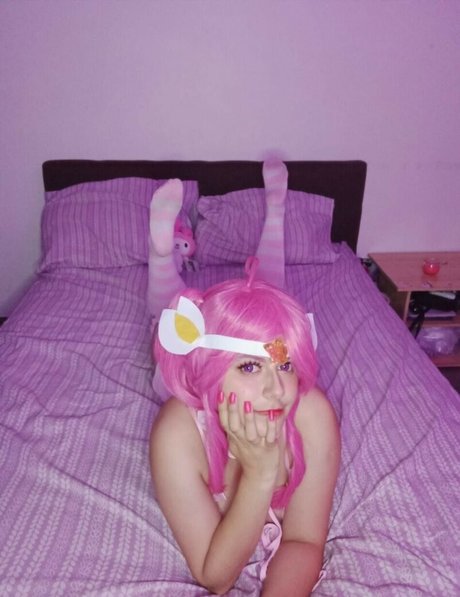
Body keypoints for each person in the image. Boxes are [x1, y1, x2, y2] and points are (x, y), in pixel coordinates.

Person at [148, 162, 341, 596]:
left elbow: (304, 541)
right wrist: (258, 475)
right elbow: (216, 576)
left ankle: (277, 212)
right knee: (167, 323)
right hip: (191, 377)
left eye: (285, 366)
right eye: (250, 367)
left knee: (268, 302)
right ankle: (162, 256)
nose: (278, 389)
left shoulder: (310, 413)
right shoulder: (176, 432)